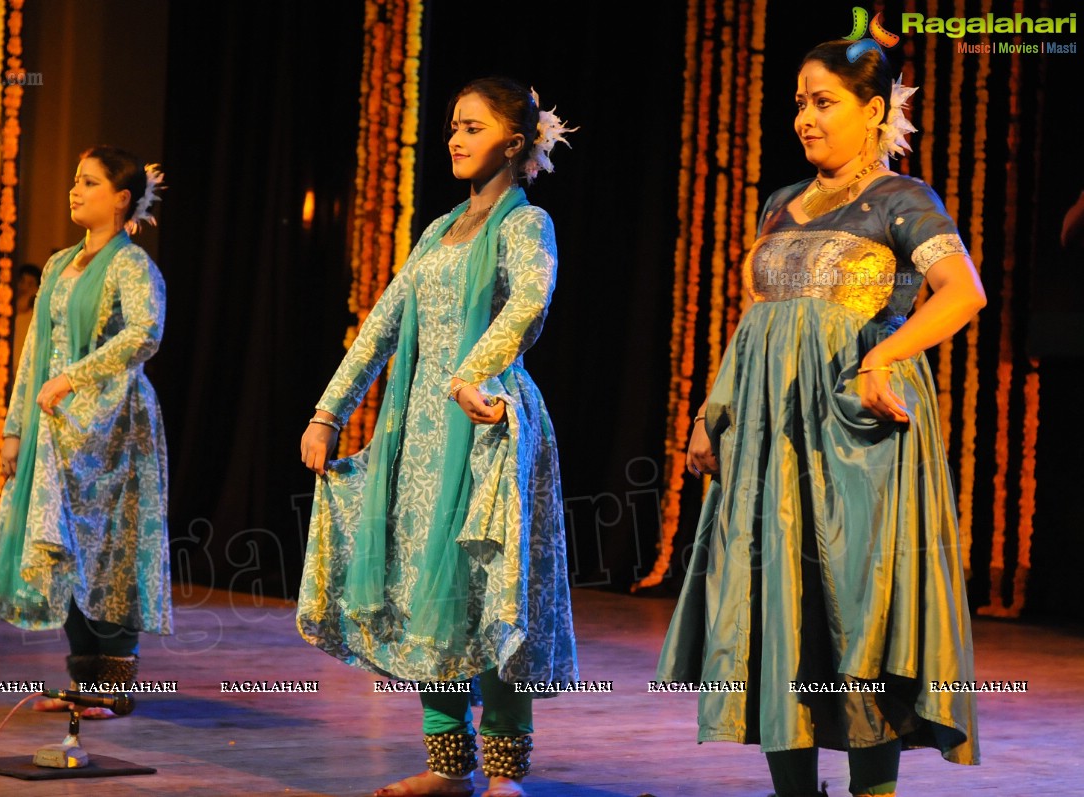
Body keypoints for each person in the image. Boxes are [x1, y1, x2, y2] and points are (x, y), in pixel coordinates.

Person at [657, 41, 985, 797]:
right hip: (771, 437)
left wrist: (880, 358)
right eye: (799, 101)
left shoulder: (900, 198)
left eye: (822, 101)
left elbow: (960, 291)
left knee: (855, 605)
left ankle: (873, 789)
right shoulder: (779, 202)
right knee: (779, 603)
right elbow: (757, 319)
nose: (803, 116)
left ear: (873, 111)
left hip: (857, 433)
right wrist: (713, 412)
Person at [297, 77, 578, 797]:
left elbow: (528, 303)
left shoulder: (525, 224)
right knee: (430, 591)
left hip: (488, 420)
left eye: (472, 126)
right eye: (453, 125)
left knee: (489, 590)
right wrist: (330, 411)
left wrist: (473, 373)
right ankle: (447, 766)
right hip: (420, 431)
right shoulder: (437, 229)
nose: (454, 138)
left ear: (514, 144)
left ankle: (507, 771)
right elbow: (383, 324)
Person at [0, 147, 171, 718]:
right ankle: (82, 679)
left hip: (115, 427)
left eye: (89, 182)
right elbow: (34, 354)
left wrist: (73, 378)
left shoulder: (132, 265)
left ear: (121, 198)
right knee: (69, 548)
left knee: (111, 549)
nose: (75, 191)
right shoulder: (57, 265)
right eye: (75, 180)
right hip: (58, 428)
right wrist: (13, 429)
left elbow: (144, 335)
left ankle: (115, 683)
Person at [11, 262, 42, 378]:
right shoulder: (5, 311)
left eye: (30, 284)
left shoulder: (36, 316)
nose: (24, 287)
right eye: (22, 281)